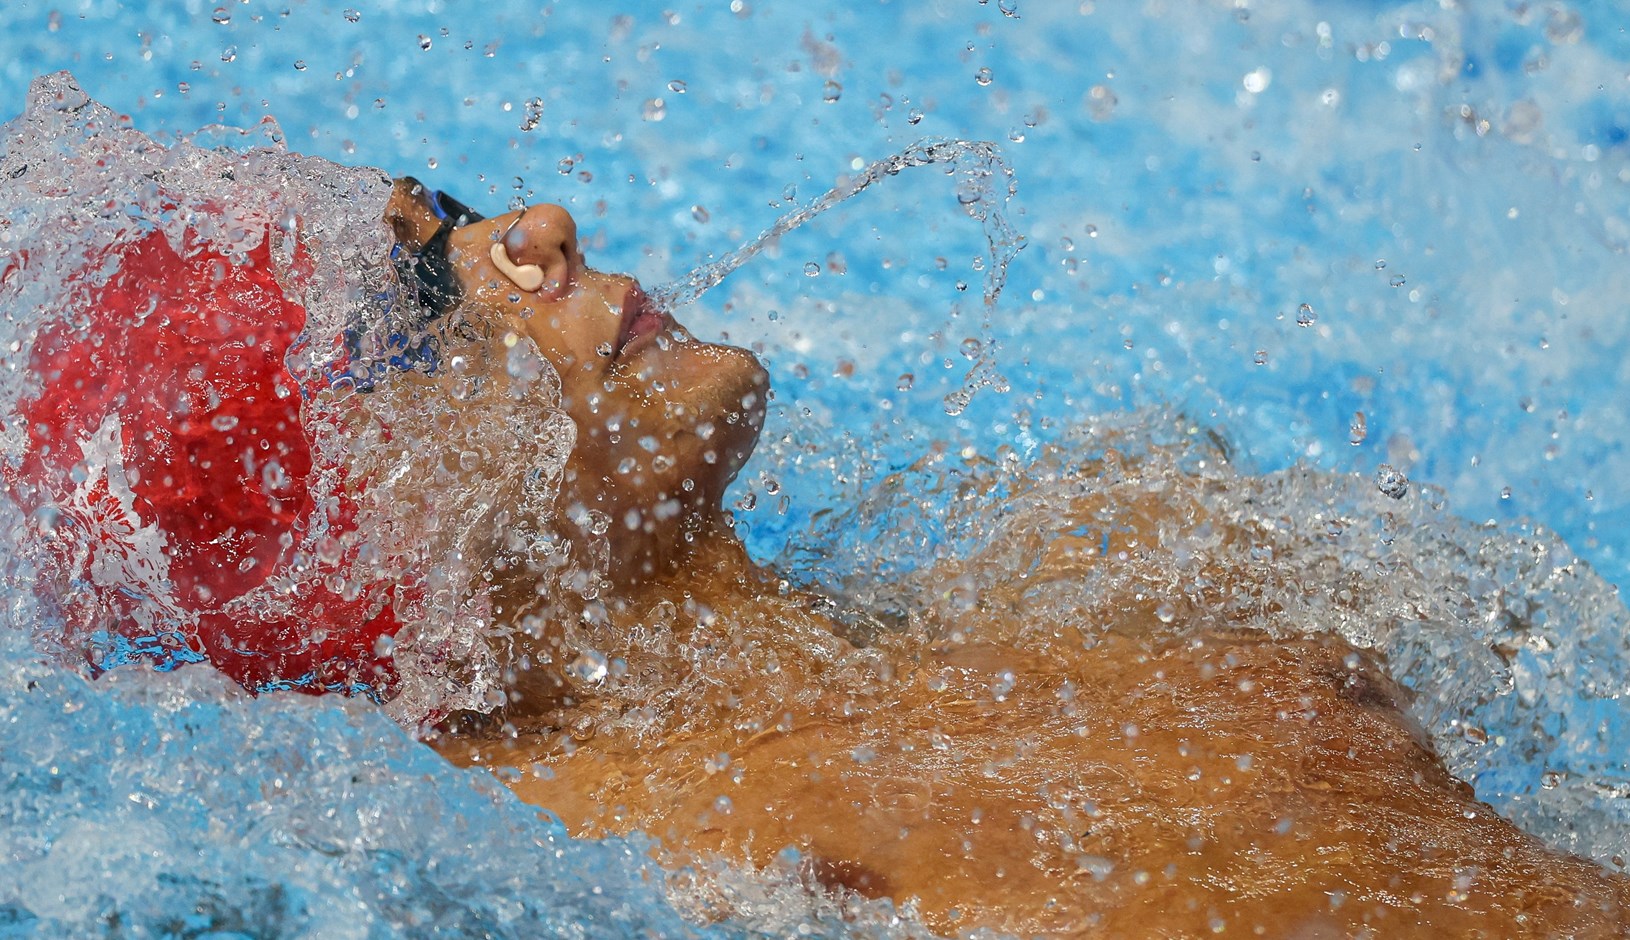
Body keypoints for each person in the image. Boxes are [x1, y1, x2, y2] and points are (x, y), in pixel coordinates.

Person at [15, 179, 1629, 937]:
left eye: (445, 210)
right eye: (425, 297)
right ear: (345, 533)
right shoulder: (801, 852)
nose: (537, 229)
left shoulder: (1053, 554)